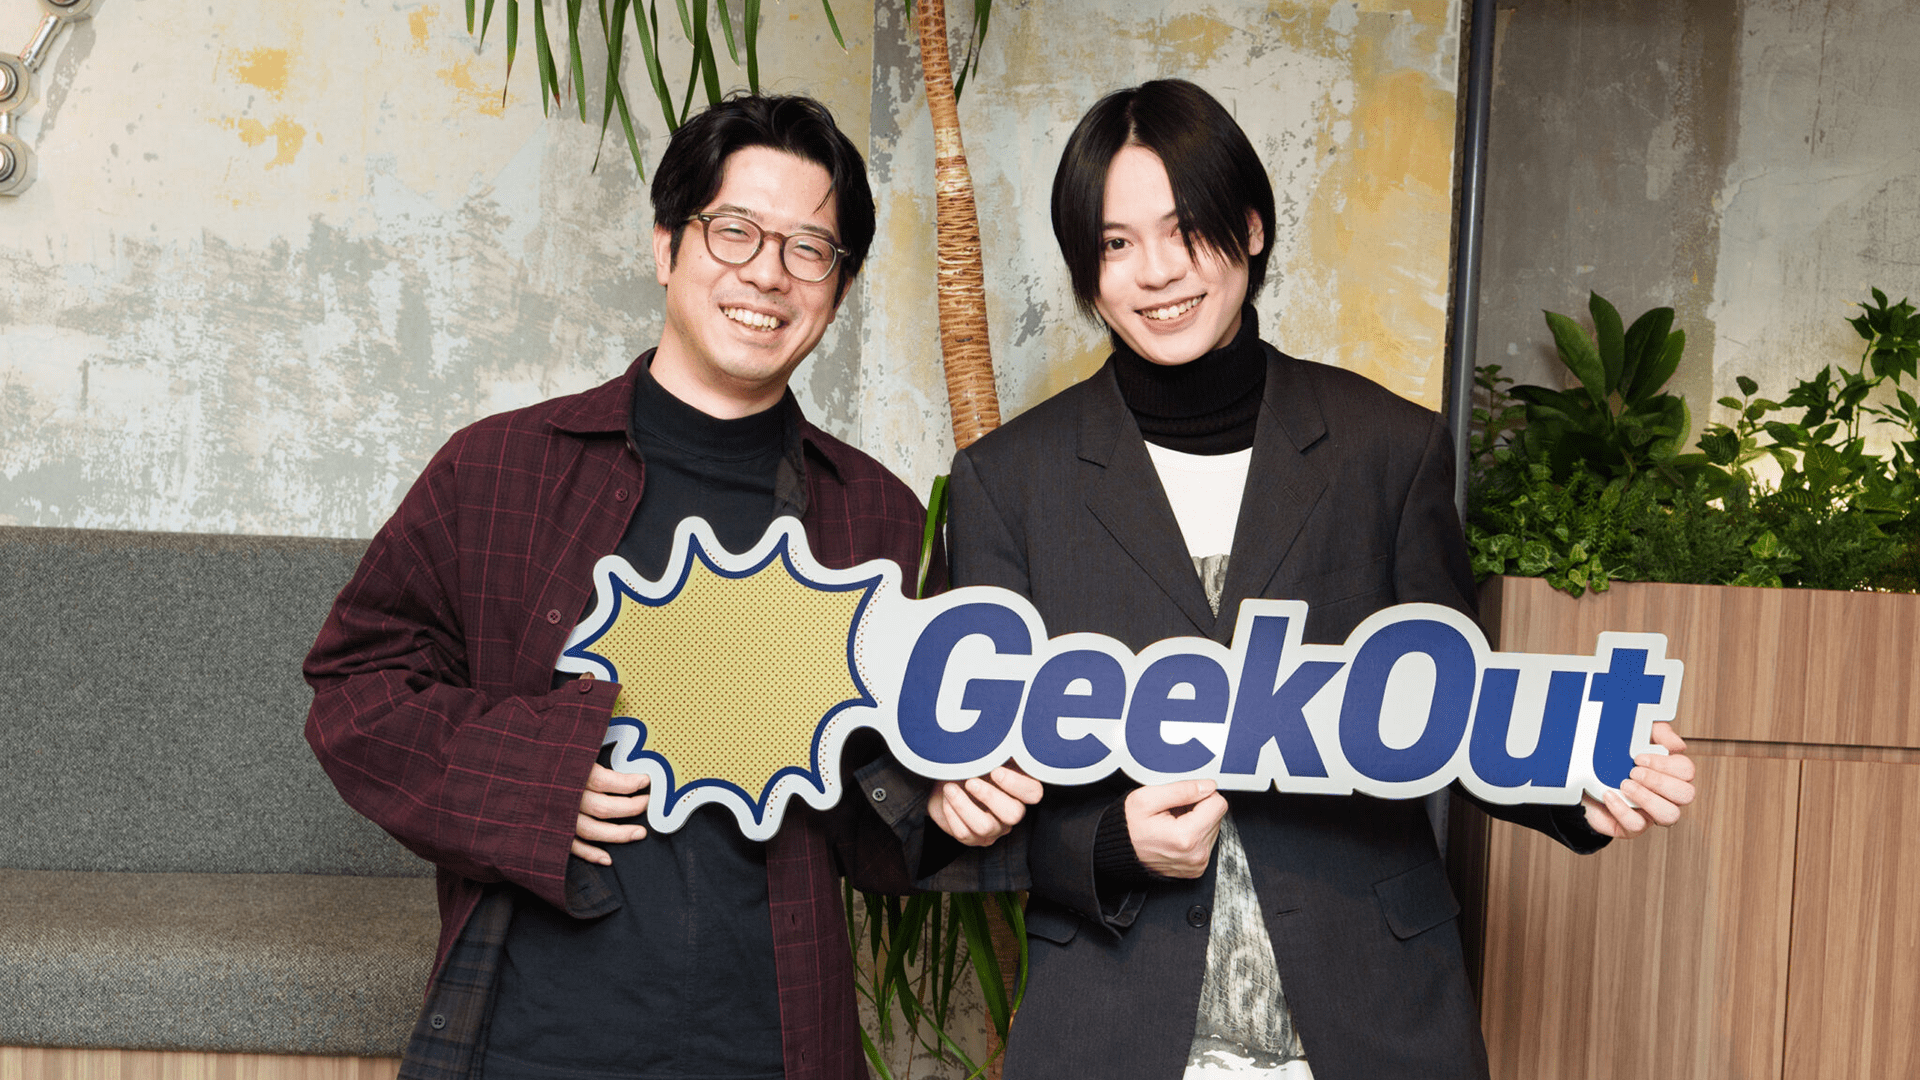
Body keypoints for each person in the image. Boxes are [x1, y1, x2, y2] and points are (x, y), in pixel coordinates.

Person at [946, 79, 1695, 1080]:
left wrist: (1582, 784)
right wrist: (1112, 845)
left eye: (1187, 229)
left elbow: (1453, 707)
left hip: (1369, 1017)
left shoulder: (1388, 449)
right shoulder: (1008, 481)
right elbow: (967, 796)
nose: (1157, 272)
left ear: (1251, 227)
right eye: (1117, 243)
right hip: (1116, 1026)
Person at [305, 93, 1039, 1080]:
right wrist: (538, 779)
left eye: (809, 249)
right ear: (666, 247)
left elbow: (877, 823)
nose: (767, 274)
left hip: (774, 1043)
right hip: (532, 1040)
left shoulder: (875, 517)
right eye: (735, 230)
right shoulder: (500, 469)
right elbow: (354, 690)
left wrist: (941, 803)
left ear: (838, 287)